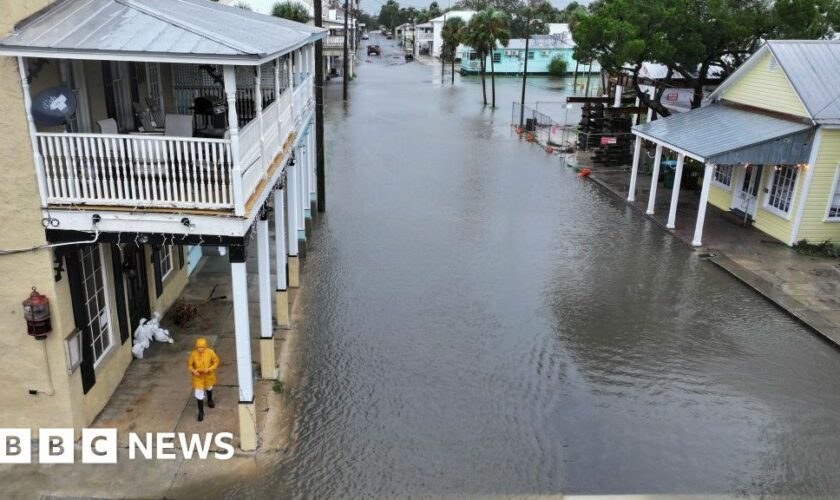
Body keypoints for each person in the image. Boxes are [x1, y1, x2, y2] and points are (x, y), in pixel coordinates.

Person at [187, 337, 219, 421]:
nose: (200, 349)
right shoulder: (193, 354)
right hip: (198, 377)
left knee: (209, 387)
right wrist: (193, 371)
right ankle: (201, 412)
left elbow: (216, 361)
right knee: (199, 393)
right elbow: (189, 365)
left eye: (202, 347)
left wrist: (210, 369)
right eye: (198, 347)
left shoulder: (210, 352)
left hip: (208, 375)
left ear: (205, 347)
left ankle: (209, 400)